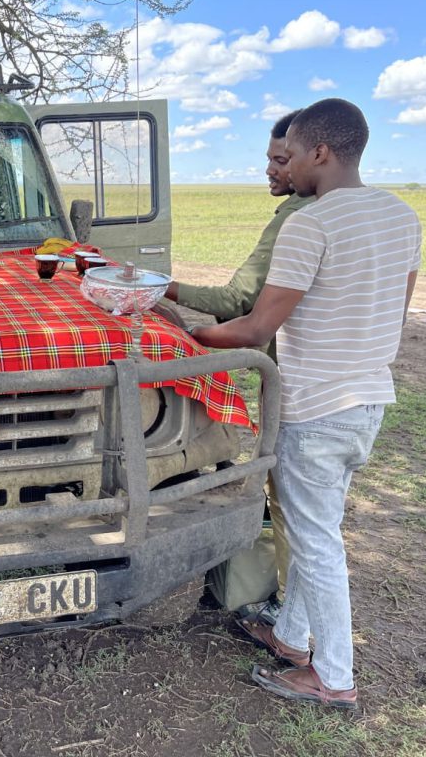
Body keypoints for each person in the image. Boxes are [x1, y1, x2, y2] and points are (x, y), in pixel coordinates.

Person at [190, 98, 420, 709]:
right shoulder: (403, 217)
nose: (282, 167)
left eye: (288, 154)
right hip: (368, 400)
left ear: (320, 151)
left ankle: (333, 676)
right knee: (315, 527)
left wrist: (180, 329)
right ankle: (290, 638)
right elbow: (392, 316)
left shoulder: (310, 224)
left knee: (317, 544)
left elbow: (249, 327)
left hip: (314, 408)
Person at [166, 109, 311, 625]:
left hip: (299, 383)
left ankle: (291, 615)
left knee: (294, 505)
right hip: (352, 388)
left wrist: (167, 298)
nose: (271, 170)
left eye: (281, 159)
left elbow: (240, 304)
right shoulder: (364, 214)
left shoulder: (301, 216)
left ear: (312, 156)